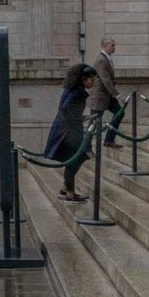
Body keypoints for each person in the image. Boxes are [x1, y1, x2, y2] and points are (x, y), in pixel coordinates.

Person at [45, 64, 98, 203]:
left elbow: (66, 108)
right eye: (91, 80)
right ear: (84, 79)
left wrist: (79, 117)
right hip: (69, 130)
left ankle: (65, 188)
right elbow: (66, 108)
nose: (93, 83)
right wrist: (77, 118)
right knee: (75, 158)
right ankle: (69, 192)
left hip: (64, 127)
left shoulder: (71, 88)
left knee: (75, 158)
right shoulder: (78, 92)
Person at [90, 37, 123, 149]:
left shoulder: (107, 58)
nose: (114, 48)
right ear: (105, 46)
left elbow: (108, 78)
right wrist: (117, 94)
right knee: (93, 123)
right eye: (112, 45)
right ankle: (85, 148)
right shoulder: (101, 60)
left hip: (107, 96)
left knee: (119, 112)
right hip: (100, 96)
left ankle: (109, 140)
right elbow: (105, 79)